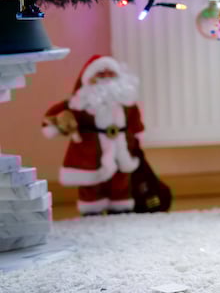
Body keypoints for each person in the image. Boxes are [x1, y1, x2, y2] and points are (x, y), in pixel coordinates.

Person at [42, 55, 169, 215]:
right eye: (101, 74)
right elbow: (54, 118)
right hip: (90, 153)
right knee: (91, 184)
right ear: (88, 78)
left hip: (121, 149)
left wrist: (136, 138)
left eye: (111, 74)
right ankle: (91, 210)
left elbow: (135, 123)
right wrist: (59, 123)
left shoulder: (126, 103)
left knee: (121, 180)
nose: (106, 78)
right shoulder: (80, 102)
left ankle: (120, 207)